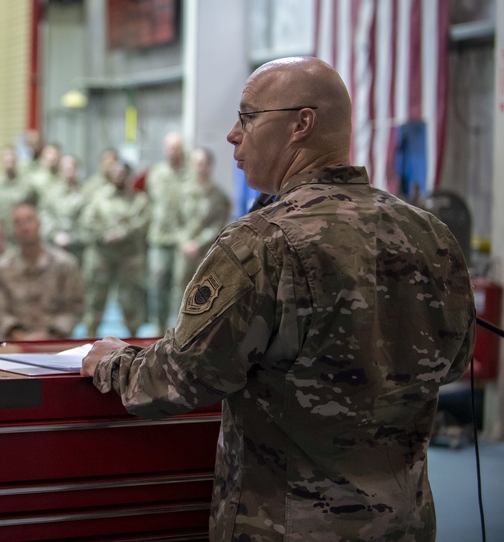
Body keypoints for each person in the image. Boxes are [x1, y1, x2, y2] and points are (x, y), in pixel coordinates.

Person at [82, 57, 476, 541]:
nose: (232, 134)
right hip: (404, 524)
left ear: (301, 124)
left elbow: (176, 381)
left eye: (247, 117)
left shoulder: (261, 242)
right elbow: (455, 362)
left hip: (290, 526)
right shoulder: (430, 234)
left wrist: (111, 361)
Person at [0, 203, 84, 340]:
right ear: (12, 229)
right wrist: (19, 336)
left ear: (39, 223)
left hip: (56, 341)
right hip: (14, 342)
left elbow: (74, 307)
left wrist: (49, 335)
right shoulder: (1, 268)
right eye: (18, 222)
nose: (25, 227)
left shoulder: (64, 264)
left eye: (30, 220)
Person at [80, 160, 150, 338]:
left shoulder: (138, 200)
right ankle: (91, 332)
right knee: (96, 297)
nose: (119, 176)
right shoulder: (98, 198)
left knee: (130, 299)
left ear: (129, 176)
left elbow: (142, 223)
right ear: (110, 175)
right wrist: (105, 234)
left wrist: (124, 233)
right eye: (116, 173)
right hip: (102, 256)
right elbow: (88, 222)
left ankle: (134, 335)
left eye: (123, 173)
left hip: (128, 258)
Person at [145, 131, 190, 333]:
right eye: (170, 147)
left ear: (182, 149)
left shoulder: (190, 174)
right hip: (159, 238)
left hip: (183, 240)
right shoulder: (155, 173)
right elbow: (148, 202)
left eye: (177, 147)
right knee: (157, 285)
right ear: (165, 150)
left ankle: (178, 330)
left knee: (181, 287)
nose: (173, 151)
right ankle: (158, 328)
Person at [173, 148, 231, 304]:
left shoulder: (219, 196)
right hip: (184, 252)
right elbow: (175, 221)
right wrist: (184, 242)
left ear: (210, 165)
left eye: (204, 163)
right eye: (197, 163)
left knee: (205, 295)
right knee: (180, 294)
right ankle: (177, 328)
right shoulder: (181, 192)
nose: (200, 167)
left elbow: (218, 224)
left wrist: (198, 244)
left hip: (205, 251)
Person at [39, 154, 87, 263]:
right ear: (60, 171)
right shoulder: (51, 194)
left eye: (72, 168)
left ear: (77, 170)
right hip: (55, 247)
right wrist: (54, 234)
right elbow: (45, 215)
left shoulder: (86, 193)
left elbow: (87, 220)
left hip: (79, 249)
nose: (69, 172)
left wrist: (73, 237)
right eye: (66, 169)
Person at [0, 145, 37, 231]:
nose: (9, 160)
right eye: (6, 157)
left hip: (21, 232)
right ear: (1, 160)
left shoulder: (27, 186)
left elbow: (34, 208)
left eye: (12, 157)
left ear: (16, 160)